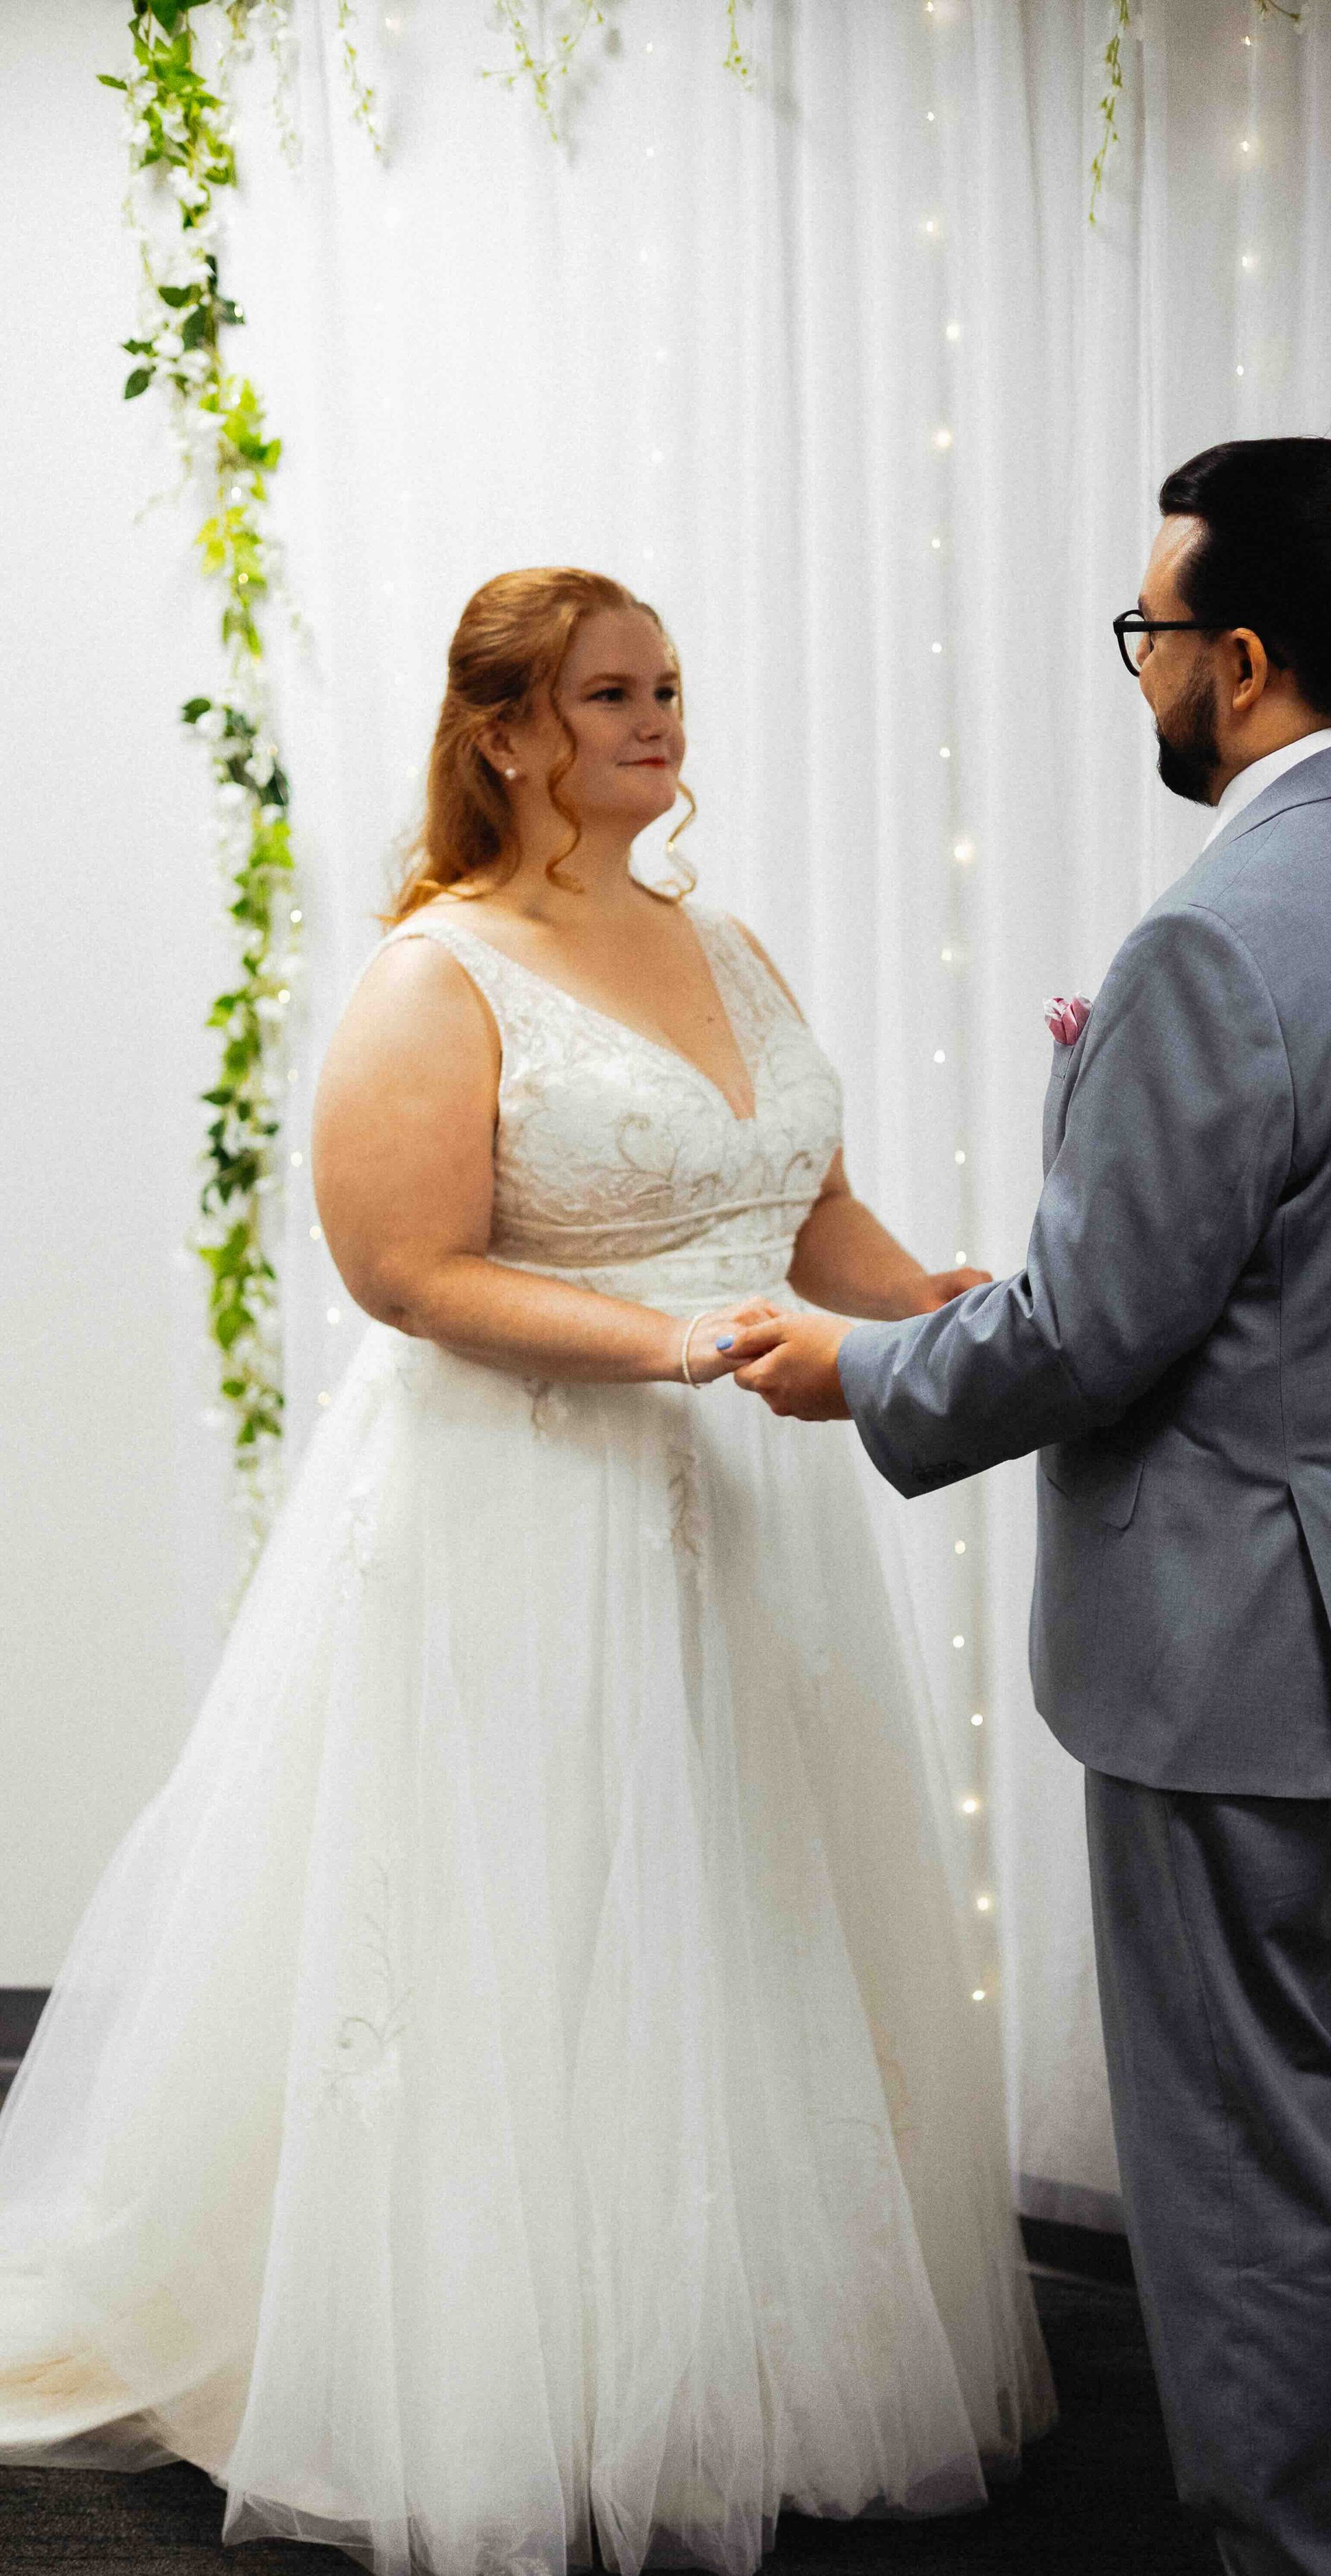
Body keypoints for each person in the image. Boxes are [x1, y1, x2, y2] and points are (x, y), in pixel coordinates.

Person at [0, 568, 1054, 2576]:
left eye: (667, 687)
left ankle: (720, 2344)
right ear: (504, 734)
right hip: (530, 1504)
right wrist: (671, 1345)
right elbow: (400, 1269)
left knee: (737, 1911)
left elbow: (796, 1196)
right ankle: (496, 2370)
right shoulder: (439, 971)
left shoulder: (719, 944)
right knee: (537, 1925)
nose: (658, 722)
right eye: (607, 697)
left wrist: (920, 1302)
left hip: (748, 1508)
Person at [723, 437, 1331, 2576]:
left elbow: (1097, 1331)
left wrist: (857, 1374)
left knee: (1238, 2145)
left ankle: (1305, 2556)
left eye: (1151, 634)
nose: (1140, 674)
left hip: (1238, 1643)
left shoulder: (1218, 932)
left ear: (1246, 662)